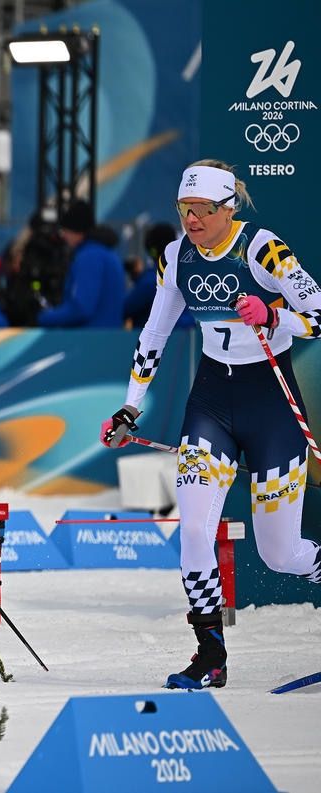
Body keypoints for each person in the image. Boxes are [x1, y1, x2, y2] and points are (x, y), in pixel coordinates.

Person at [101, 160, 321, 689]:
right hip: (212, 403)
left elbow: (318, 315)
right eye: (185, 209)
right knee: (195, 530)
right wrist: (130, 407)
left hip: (272, 403)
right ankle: (210, 656)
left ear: (228, 208)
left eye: (202, 210)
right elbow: (153, 335)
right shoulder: (176, 256)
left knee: (281, 553)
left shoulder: (262, 248)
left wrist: (274, 316)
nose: (192, 220)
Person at [38, 199, 127, 327]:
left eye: (66, 231)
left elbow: (81, 309)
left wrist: (44, 317)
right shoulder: (108, 253)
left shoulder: (89, 257)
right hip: (110, 335)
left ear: (78, 231)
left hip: (89, 336)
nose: (64, 236)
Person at [123, 223, 193, 329]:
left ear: (152, 250)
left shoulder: (151, 280)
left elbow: (125, 309)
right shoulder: (187, 275)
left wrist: (137, 278)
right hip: (188, 336)